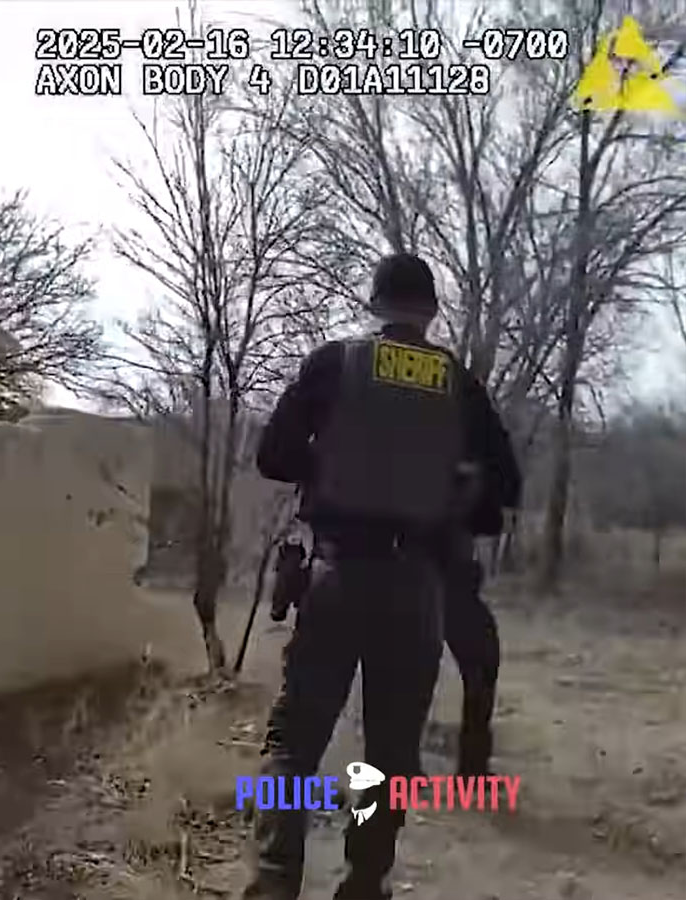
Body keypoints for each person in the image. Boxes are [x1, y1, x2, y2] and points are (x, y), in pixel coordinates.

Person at [243, 253, 494, 900]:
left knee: (295, 743)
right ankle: (363, 882)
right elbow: (497, 491)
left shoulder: (336, 363)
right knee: (389, 752)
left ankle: (274, 884)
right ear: (431, 313)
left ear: (376, 305)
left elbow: (272, 457)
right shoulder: (460, 384)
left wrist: (330, 468)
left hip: (337, 575)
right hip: (417, 591)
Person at [437, 395, 521, 777]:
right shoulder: (464, 442)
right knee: (482, 666)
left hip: (407, 572)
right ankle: (470, 772)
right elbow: (494, 513)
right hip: (444, 578)